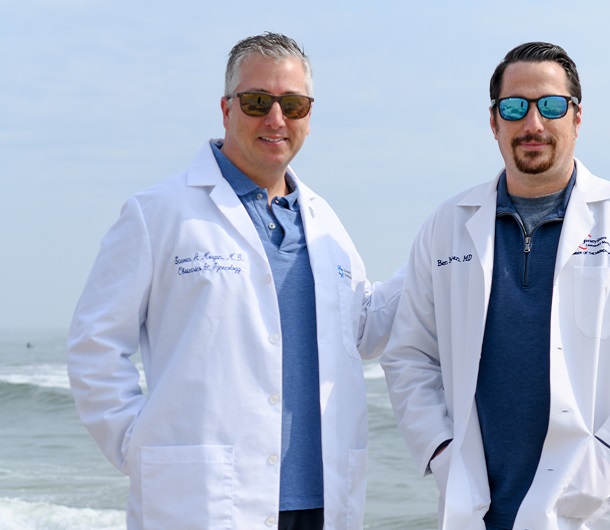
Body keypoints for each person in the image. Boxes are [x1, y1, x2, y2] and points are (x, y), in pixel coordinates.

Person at [68, 32, 402, 530]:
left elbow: (365, 329)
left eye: (293, 104)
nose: (275, 119)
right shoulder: (158, 213)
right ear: (226, 109)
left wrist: (438, 253)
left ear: (309, 115)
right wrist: (138, 448)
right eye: (256, 101)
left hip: (321, 503)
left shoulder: (324, 221)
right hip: (204, 501)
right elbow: (95, 345)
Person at [381, 41, 610, 530]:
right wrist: (443, 451)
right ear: (494, 122)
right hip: (478, 505)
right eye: (515, 107)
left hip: (593, 504)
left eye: (551, 106)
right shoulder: (447, 225)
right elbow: (409, 354)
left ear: (577, 118)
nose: (532, 123)